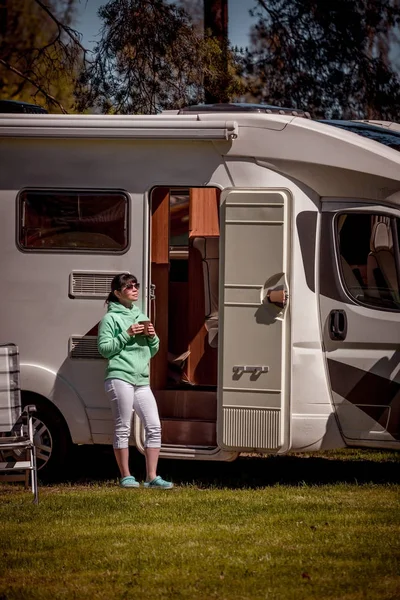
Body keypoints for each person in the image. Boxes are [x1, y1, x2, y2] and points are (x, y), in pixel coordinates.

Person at [97, 273, 173, 489]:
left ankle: (151, 477)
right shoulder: (110, 319)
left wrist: (152, 336)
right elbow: (104, 350)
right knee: (123, 426)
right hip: (119, 376)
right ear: (117, 293)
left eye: (135, 285)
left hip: (141, 379)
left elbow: (153, 350)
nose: (134, 289)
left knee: (154, 426)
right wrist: (127, 334)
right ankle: (126, 476)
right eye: (129, 286)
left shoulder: (141, 315)